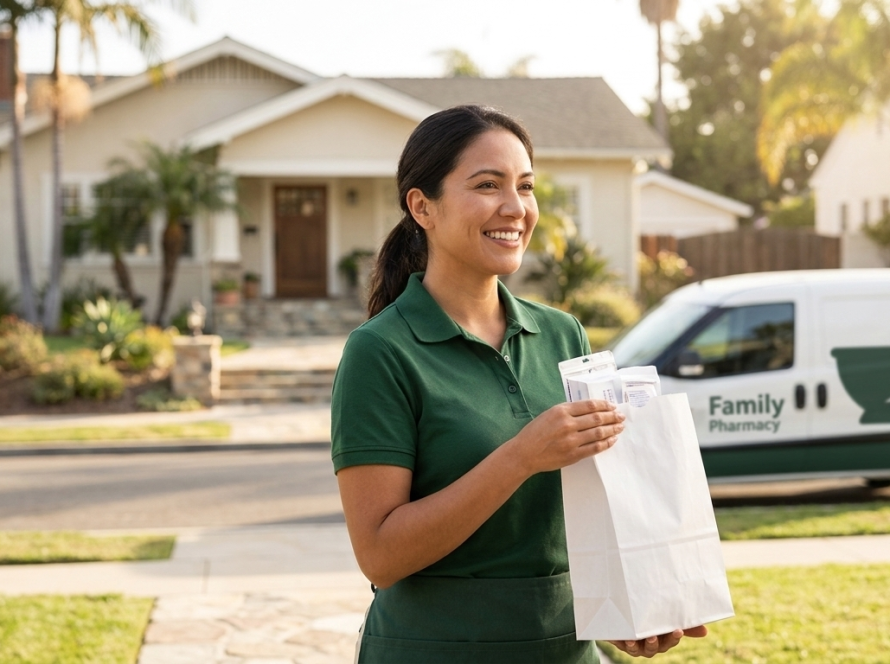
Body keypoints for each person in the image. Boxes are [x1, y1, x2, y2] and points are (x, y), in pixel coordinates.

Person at [331, 104, 706, 663]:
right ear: (422, 206)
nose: (515, 207)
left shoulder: (562, 335)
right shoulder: (380, 353)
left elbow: (592, 516)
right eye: (487, 184)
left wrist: (627, 608)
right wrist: (522, 456)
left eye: (525, 186)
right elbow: (381, 554)